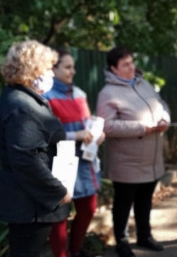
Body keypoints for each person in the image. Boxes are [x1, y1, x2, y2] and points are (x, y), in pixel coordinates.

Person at [96, 47, 171, 257]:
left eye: (131, 62)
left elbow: (161, 104)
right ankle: (121, 241)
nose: (131, 67)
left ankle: (144, 236)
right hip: (126, 160)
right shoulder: (108, 93)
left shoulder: (143, 83)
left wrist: (165, 119)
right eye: (125, 65)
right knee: (123, 202)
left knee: (145, 199)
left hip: (151, 157)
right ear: (113, 69)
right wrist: (142, 128)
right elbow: (107, 126)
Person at [0, 40, 72, 255]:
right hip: (30, 204)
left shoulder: (22, 98)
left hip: (33, 202)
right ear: (32, 69)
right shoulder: (21, 104)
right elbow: (25, 159)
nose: (51, 73)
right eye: (48, 68)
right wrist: (57, 191)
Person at [43, 49, 105, 257]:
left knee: (88, 208)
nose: (73, 71)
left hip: (86, 159)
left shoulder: (79, 93)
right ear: (53, 68)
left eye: (73, 67)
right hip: (60, 160)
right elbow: (46, 135)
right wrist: (74, 135)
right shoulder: (45, 97)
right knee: (59, 215)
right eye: (67, 67)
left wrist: (97, 134)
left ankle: (76, 250)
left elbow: (87, 124)